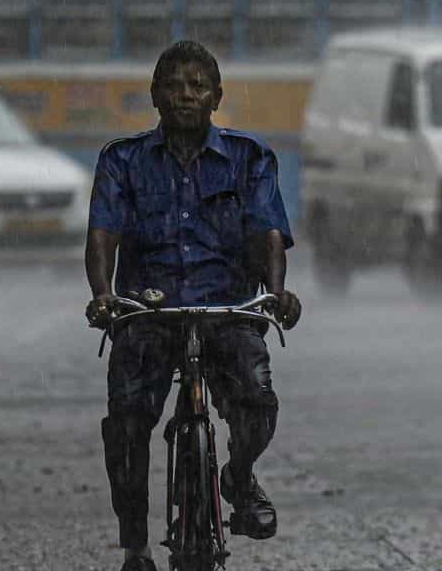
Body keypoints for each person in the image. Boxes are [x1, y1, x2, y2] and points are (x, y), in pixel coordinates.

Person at [85, 40, 302, 571]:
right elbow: (102, 236)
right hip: (147, 310)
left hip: (227, 308)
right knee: (129, 424)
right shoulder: (122, 160)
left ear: (216, 97)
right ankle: (135, 543)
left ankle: (238, 477)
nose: (186, 94)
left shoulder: (250, 158)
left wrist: (274, 292)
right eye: (175, 85)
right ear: (155, 95)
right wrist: (104, 297)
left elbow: (267, 231)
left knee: (256, 400)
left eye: (198, 86)